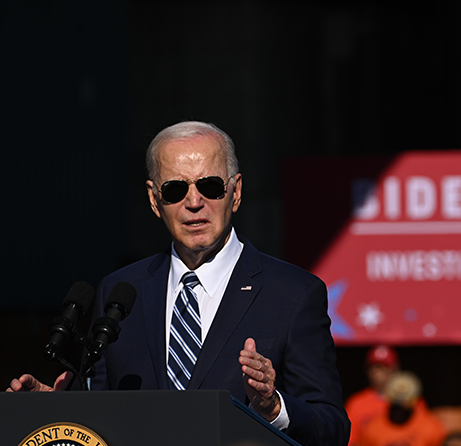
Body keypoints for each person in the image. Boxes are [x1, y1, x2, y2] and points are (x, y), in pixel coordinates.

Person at [7, 121, 351, 446]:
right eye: (175, 189)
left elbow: (332, 428)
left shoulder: (293, 292)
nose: (194, 202)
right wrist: (56, 411)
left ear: (236, 191)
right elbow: (102, 411)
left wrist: (274, 407)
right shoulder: (121, 290)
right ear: (155, 200)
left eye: (210, 186)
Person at [358, 370, 446, 446]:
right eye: (396, 405)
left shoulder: (431, 428)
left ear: (414, 402)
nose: (399, 410)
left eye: (404, 406)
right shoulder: (373, 428)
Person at [345, 345, 400, 446]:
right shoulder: (356, 403)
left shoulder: (408, 400)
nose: (377, 371)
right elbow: (351, 440)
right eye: (374, 366)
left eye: (383, 366)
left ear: (394, 369)